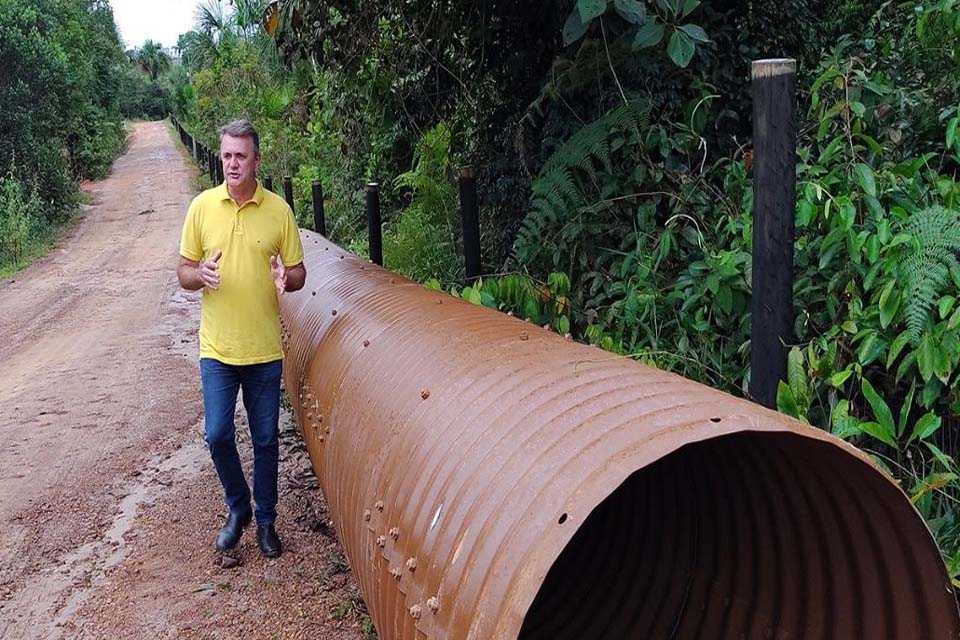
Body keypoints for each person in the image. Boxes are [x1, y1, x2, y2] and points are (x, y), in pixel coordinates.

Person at [177, 118, 306, 558]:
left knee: (266, 440)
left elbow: (299, 273)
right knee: (217, 435)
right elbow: (183, 271)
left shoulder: (279, 212)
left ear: (256, 160)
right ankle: (238, 507)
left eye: (241, 156)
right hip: (217, 349)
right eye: (227, 155)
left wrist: (286, 277)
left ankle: (266, 521)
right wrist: (200, 274)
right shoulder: (202, 208)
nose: (232, 164)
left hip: (264, 350)